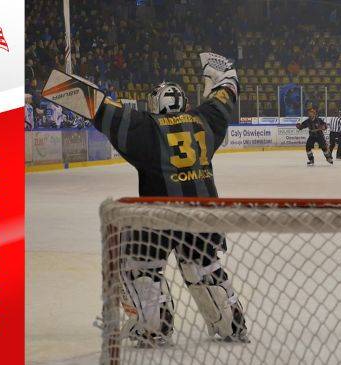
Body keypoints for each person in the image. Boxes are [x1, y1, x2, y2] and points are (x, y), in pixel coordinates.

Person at [91, 52, 249, 346]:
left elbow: (98, 107)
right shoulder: (206, 119)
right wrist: (221, 75)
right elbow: (227, 90)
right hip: (202, 214)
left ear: (155, 105)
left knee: (140, 267)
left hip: (156, 218)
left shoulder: (145, 128)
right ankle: (232, 324)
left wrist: (60, 88)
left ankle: (154, 327)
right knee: (202, 265)